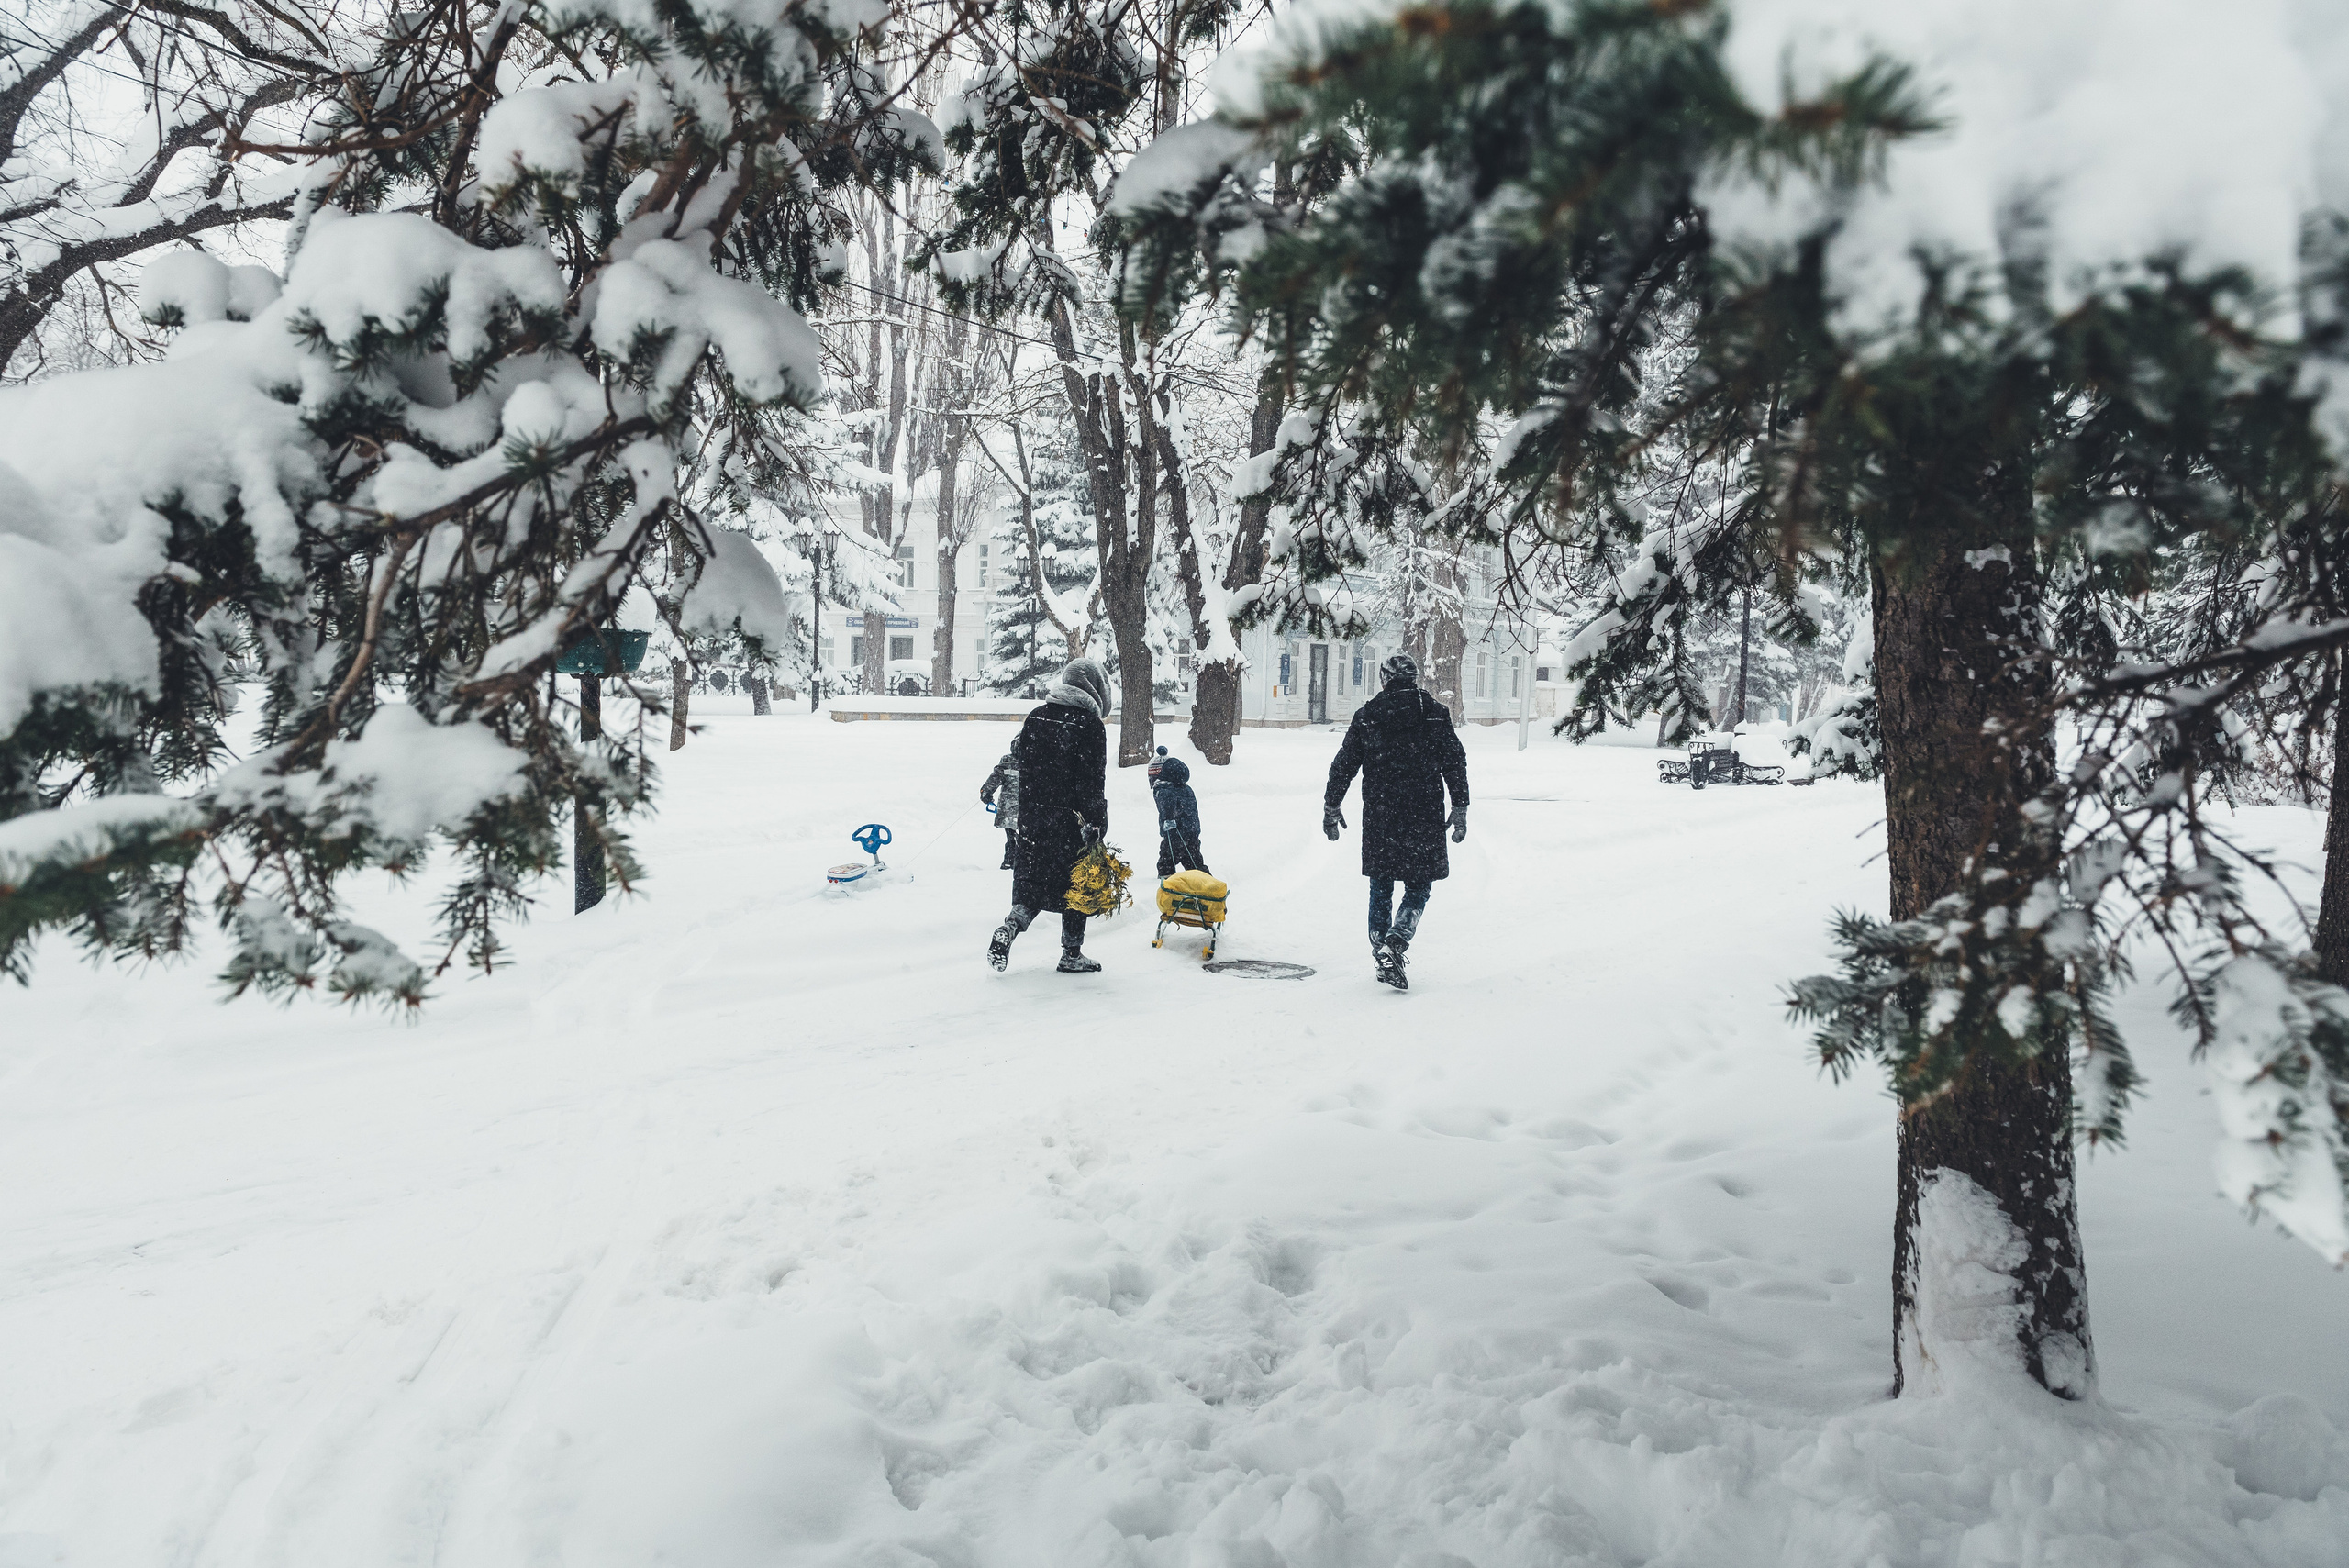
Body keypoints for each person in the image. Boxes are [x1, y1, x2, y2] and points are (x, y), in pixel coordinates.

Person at [1323, 651, 1469, 990]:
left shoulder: (1367, 716)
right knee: (1419, 885)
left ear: (1384, 680)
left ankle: (1381, 950)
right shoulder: (1435, 715)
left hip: (1381, 813)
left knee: (1381, 884)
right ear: (1414, 679)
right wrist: (1459, 805)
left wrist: (1332, 806)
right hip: (1424, 814)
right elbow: (1455, 762)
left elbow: (1344, 764)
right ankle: (1396, 941)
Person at [990, 657, 1113, 973]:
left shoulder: (1036, 717)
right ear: (1094, 688)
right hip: (1070, 822)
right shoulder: (1089, 725)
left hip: (1032, 819)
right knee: (1076, 886)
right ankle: (1071, 953)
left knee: (1034, 883)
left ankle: (1011, 926)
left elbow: (1025, 767)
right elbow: (1091, 781)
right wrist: (1096, 823)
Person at [1151, 748, 1209, 878]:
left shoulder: (1165, 791)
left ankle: (1167, 883)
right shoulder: (1187, 789)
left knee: (1166, 861)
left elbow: (1167, 811)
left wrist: (1169, 824)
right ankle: (1206, 883)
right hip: (1192, 833)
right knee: (1195, 862)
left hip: (1175, 835)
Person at [979, 749, 1019, 869]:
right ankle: (1015, 862)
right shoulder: (1036, 760)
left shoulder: (1007, 761)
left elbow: (995, 778)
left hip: (1010, 808)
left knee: (1012, 837)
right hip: (1025, 808)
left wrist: (986, 792)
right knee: (1020, 837)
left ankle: (1009, 862)